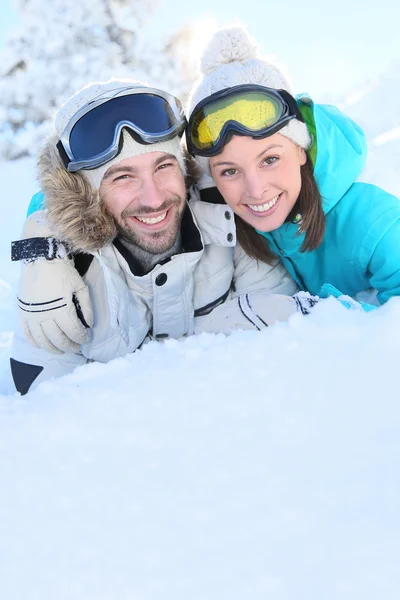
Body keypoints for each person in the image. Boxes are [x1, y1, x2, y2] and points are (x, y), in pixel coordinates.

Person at [11, 78, 313, 395]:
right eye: (123, 177)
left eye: (163, 166)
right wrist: (37, 248)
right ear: (88, 195)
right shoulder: (61, 274)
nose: (154, 199)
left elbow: (287, 347)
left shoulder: (225, 220)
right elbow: (48, 410)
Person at [185, 26, 400, 305]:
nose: (256, 189)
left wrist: (332, 317)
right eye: (230, 171)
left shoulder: (372, 220)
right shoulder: (230, 234)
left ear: (301, 150)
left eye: (270, 160)